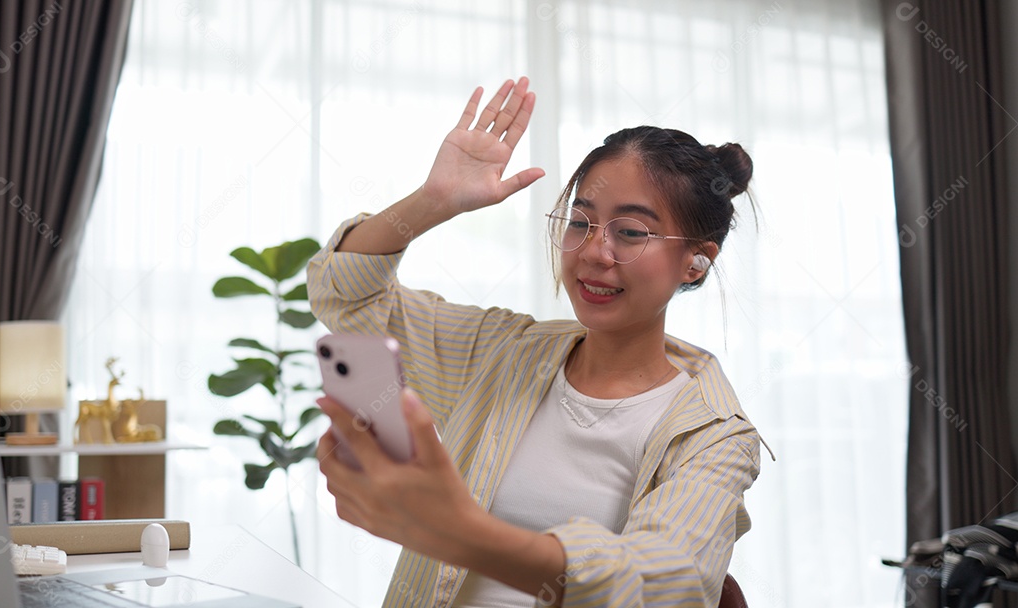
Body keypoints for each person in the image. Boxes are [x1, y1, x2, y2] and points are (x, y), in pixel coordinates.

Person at [308, 76, 764, 608]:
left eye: (631, 232)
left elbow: (663, 584)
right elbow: (347, 297)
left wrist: (457, 533)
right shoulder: (502, 353)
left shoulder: (714, 436)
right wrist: (431, 203)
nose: (594, 251)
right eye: (580, 221)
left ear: (696, 260)